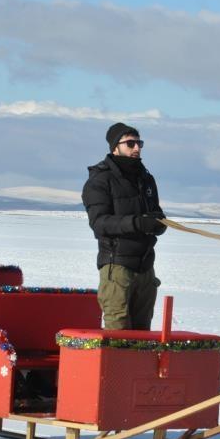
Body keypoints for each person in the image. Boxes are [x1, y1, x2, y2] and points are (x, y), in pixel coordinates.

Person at [82, 122, 166, 330]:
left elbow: (155, 213)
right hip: (117, 268)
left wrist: (158, 223)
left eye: (139, 143)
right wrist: (137, 223)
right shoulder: (100, 180)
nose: (136, 148)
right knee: (117, 333)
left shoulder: (146, 179)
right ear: (115, 147)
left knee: (142, 336)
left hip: (146, 268)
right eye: (130, 143)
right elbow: (99, 223)